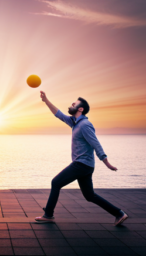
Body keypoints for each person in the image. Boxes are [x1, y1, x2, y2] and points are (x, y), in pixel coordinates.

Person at [35, 91, 128, 226]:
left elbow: (96, 143)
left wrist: (106, 162)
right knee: (90, 196)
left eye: (75, 103)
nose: (71, 104)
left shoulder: (84, 125)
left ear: (80, 109)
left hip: (81, 164)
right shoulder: (74, 122)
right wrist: (46, 101)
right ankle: (119, 213)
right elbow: (59, 114)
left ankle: (48, 214)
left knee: (55, 182)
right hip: (86, 165)